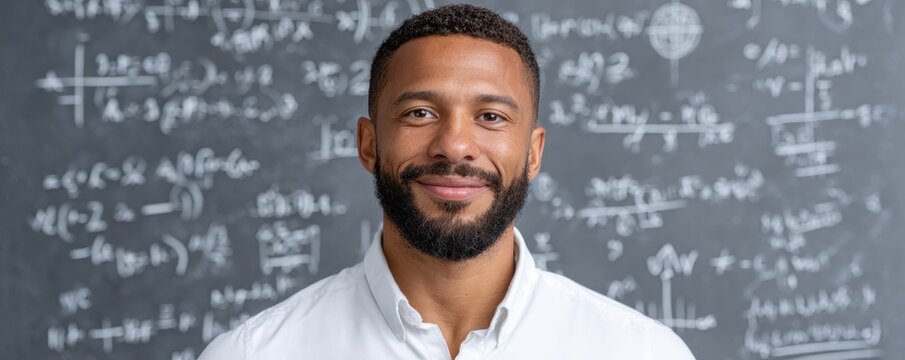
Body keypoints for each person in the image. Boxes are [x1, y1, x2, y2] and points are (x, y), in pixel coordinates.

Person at [199, 4, 695, 359]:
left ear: (534, 152)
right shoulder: (251, 354)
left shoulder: (642, 352)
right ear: (368, 144)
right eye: (420, 112)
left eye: (492, 117)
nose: (455, 145)